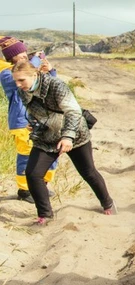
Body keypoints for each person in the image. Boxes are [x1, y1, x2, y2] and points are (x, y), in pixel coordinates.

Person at [11, 60, 115, 225]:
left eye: (21, 80)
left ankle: (107, 203)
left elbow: (72, 110)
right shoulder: (23, 91)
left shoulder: (56, 86)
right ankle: (45, 215)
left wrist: (68, 136)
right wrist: (34, 123)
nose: (18, 84)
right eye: (15, 80)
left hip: (75, 134)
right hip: (47, 138)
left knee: (88, 172)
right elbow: (34, 112)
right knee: (33, 174)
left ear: (34, 75)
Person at [0, 37, 58, 203]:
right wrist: (36, 58)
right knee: (26, 156)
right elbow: (23, 73)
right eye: (21, 54)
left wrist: (50, 71)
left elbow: (51, 86)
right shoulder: (6, 74)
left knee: (49, 153)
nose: (25, 56)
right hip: (21, 122)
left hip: (40, 121)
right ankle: (24, 190)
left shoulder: (30, 69)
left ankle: (42, 185)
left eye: (26, 53)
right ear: (12, 56)